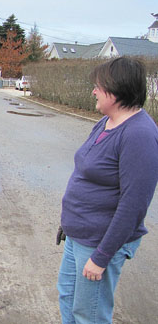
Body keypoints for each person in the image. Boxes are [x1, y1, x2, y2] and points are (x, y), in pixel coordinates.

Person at [57, 56, 158, 323]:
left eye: (98, 86)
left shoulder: (140, 135)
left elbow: (133, 206)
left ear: (117, 89)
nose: (93, 91)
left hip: (99, 244)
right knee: (67, 297)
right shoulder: (106, 122)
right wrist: (70, 223)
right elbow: (87, 174)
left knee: (89, 315)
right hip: (78, 236)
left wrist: (101, 256)